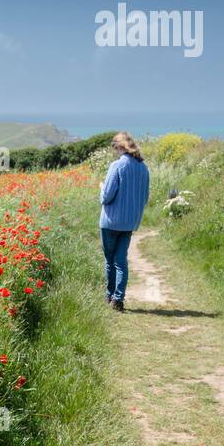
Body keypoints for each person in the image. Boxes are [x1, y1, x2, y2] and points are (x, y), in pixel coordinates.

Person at [99, 131, 150, 311]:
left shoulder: (117, 165)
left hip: (111, 221)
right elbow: (145, 198)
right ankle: (118, 300)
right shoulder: (143, 168)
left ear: (120, 146)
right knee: (121, 260)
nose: (115, 152)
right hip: (130, 222)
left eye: (115, 148)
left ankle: (109, 295)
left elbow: (106, 197)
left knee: (110, 260)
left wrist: (101, 188)